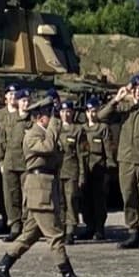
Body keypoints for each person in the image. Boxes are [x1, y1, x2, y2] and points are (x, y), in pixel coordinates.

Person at [0, 99, 93, 277]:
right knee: (55, 234)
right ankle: (68, 276)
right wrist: (55, 125)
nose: (53, 120)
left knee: (30, 234)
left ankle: (2, 267)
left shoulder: (46, 134)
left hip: (46, 187)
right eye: (49, 116)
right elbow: (47, 148)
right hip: (39, 190)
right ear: (40, 118)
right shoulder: (31, 135)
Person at [97, 72, 139, 249]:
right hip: (126, 160)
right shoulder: (124, 108)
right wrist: (116, 99)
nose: (138, 93)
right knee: (128, 197)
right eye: (135, 89)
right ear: (131, 90)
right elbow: (101, 116)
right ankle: (132, 232)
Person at [0, 89, 31, 240]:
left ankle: (26, 226)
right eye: (23, 100)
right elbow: (1, 141)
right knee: (11, 196)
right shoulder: (9, 119)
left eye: (28, 101)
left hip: (26, 163)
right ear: (17, 102)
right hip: (9, 162)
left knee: (26, 196)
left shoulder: (32, 121)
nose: (26, 103)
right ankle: (15, 226)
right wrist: (1, 161)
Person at [80, 96, 111, 241]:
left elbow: (109, 149)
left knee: (99, 200)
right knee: (86, 200)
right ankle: (89, 226)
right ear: (86, 112)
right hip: (85, 168)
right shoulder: (82, 129)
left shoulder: (103, 128)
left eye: (94, 111)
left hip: (99, 167)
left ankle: (99, 228)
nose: (92, 114)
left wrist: (110, 167)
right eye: (89, 111)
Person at [58, 98, 87, 243]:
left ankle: (70, 230)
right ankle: (60, 228)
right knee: (59, 201)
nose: (65, 114)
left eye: (68, 111)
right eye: (63, 111)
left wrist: (82, 174)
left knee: (71, 200)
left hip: (71, 170)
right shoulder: (55, 129)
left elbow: (82, 154)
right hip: (57, 170)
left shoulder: (78, 130)